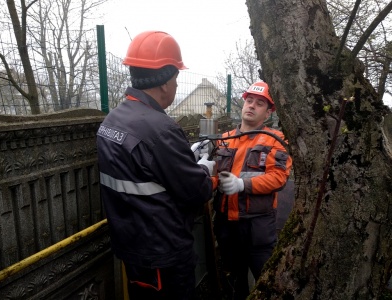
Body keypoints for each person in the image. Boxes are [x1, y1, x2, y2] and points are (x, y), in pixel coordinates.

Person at [96, 30, 215, 300]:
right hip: (164, 254)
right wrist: (205, 169)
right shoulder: (161, 129)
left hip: (132, 247)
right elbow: (196, 191)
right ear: (164, 82)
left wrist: (185, 156)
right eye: (176, 78)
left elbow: (145, 175)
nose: (175, 85)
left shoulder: (111, 121)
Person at [213, 81, 293, 300]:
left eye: (259, 103)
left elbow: (278, 178)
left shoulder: (276, 140)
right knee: (233, 283)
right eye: (249, 101)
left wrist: (242, 185)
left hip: (257, 227)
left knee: (267, 283)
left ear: (267, 112)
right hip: (226, 226)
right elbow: (212, 176)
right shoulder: (224, 139)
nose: (252, 106)